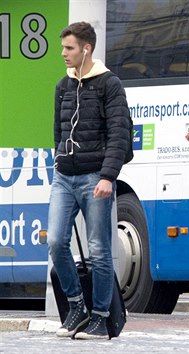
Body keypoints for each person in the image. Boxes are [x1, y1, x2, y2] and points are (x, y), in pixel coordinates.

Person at [48, 22, 131, 340]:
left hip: (96, 177)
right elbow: (57, 131)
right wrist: (58, 160)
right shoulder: (62, 86)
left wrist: (108, 176)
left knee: (99, 249)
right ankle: (76, 306)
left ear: (86, 48)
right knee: (56, 241)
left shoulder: (110, 84)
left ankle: (100, 317)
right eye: (62, 48)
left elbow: (119, 134)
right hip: (64, 177)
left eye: (68, 48)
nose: (63, 54)